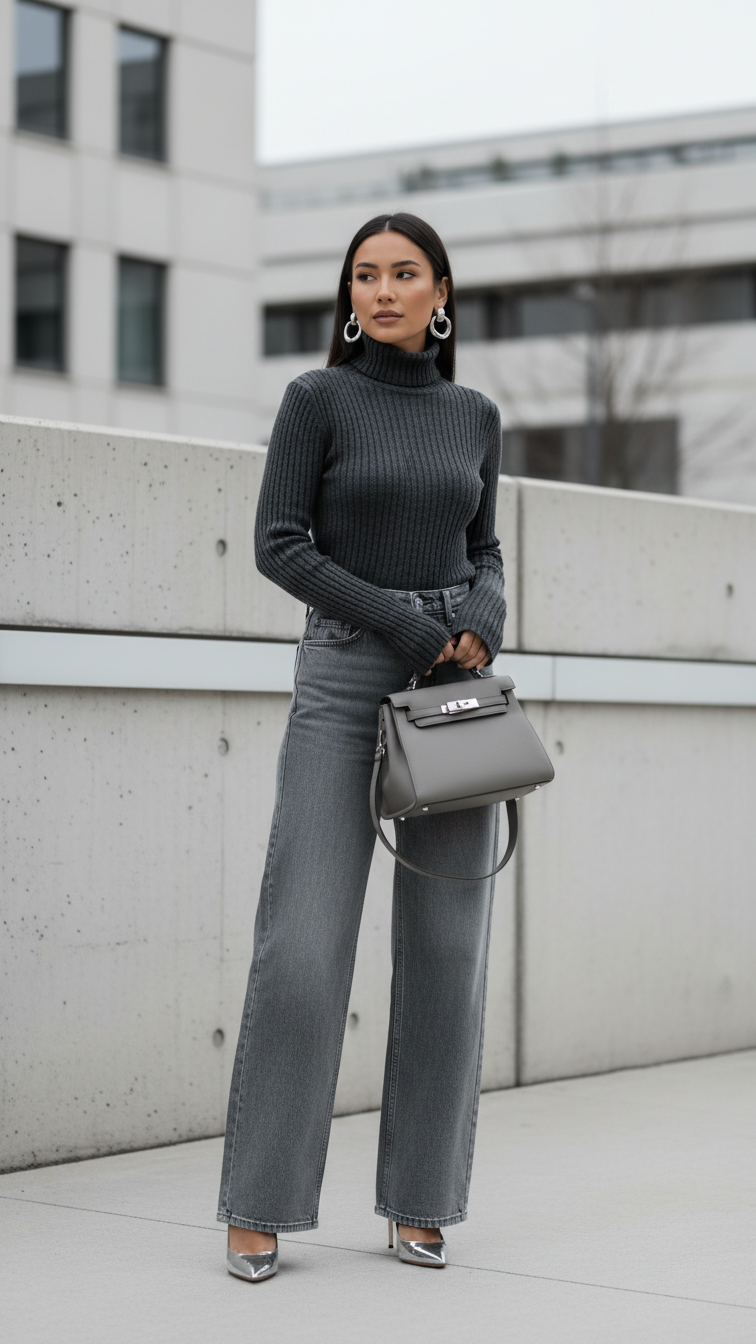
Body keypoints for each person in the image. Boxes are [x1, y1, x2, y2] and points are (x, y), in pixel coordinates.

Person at [217, 212, 506, 1280]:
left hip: (455, 682)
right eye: (366, 274)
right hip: (347, 671)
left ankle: (421, 1198)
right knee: (302, 946)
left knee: (447, 949)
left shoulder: (474, 413)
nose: (383, 290)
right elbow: (279, 545)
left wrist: (483, 613)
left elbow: (486, 546)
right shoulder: (316, 400)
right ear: (350, 296)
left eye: (405, 273)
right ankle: (262, 1200)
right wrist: (408, 625)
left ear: (442, 294)